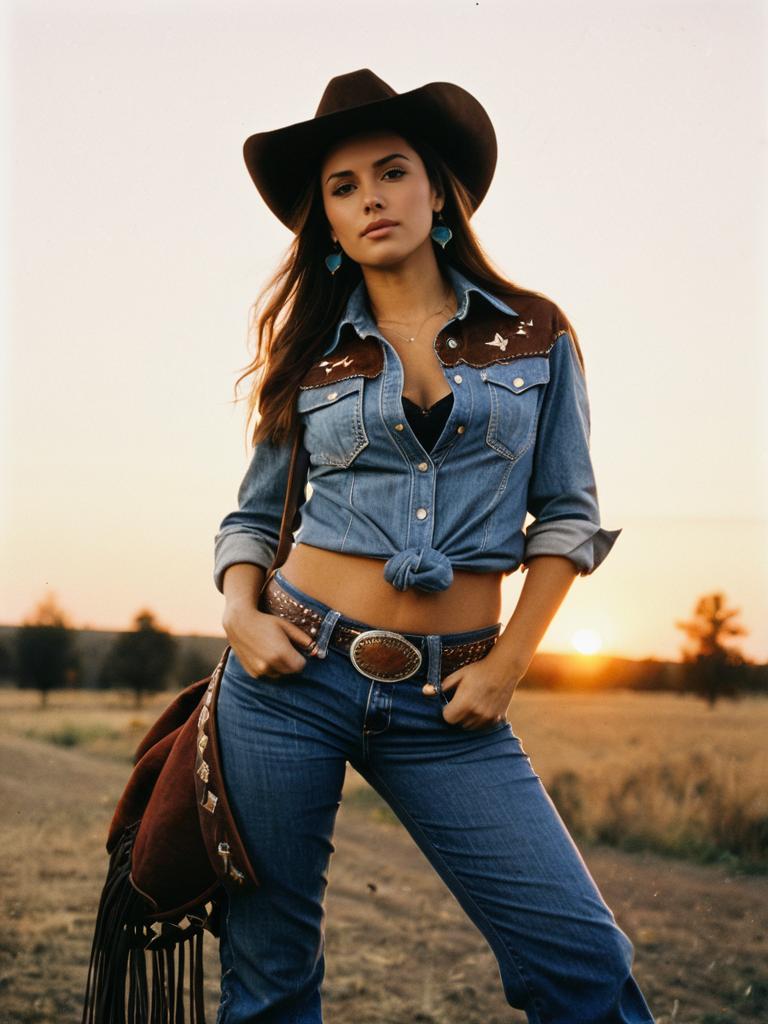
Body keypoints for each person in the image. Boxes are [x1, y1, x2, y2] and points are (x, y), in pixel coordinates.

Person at [212, 69, 655, 1024]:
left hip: (451, 696)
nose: (370, 196)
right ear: (325, 222)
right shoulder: (310, 352)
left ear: (437, 190)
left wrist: (509, 664)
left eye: (391, 171)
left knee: (581, 963)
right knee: (271, 985)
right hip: (289, 677)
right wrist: (239, 614)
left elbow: (567, 518)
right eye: (343, 186)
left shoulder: (537, 334)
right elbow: (253, 519)